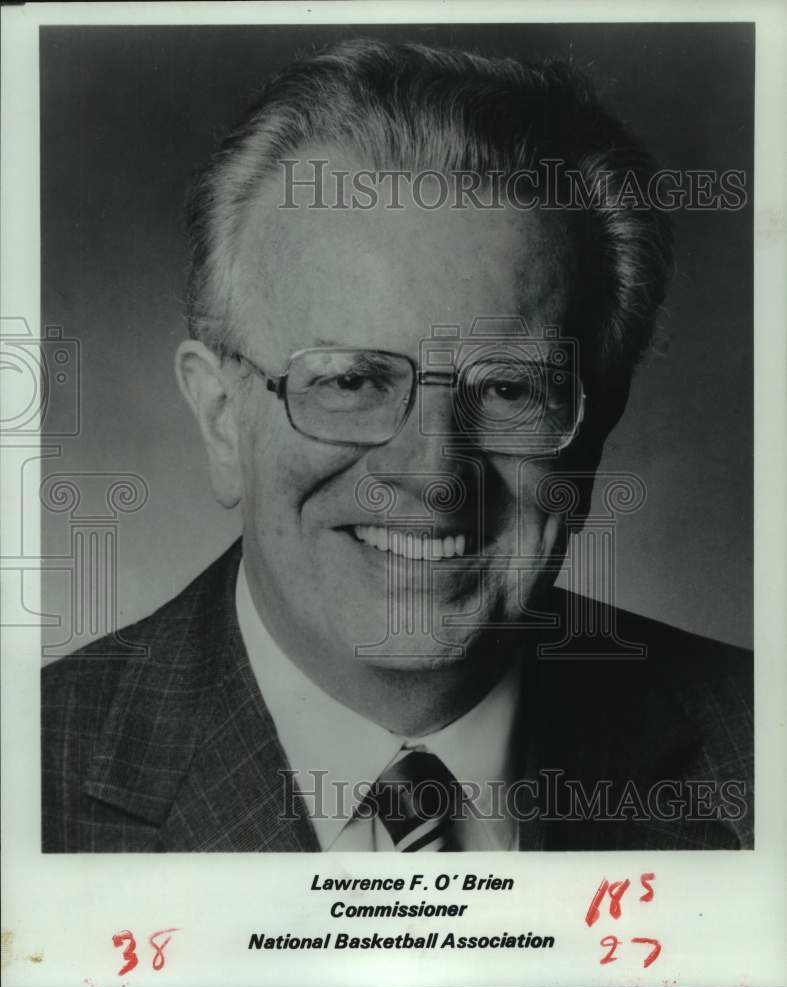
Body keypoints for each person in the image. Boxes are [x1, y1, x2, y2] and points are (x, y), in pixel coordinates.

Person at [41, 38, 753, 852]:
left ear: (594, 426)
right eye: (350, 380)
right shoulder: (31, 789)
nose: (432, 475)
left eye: (508, 389)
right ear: (219, 416)